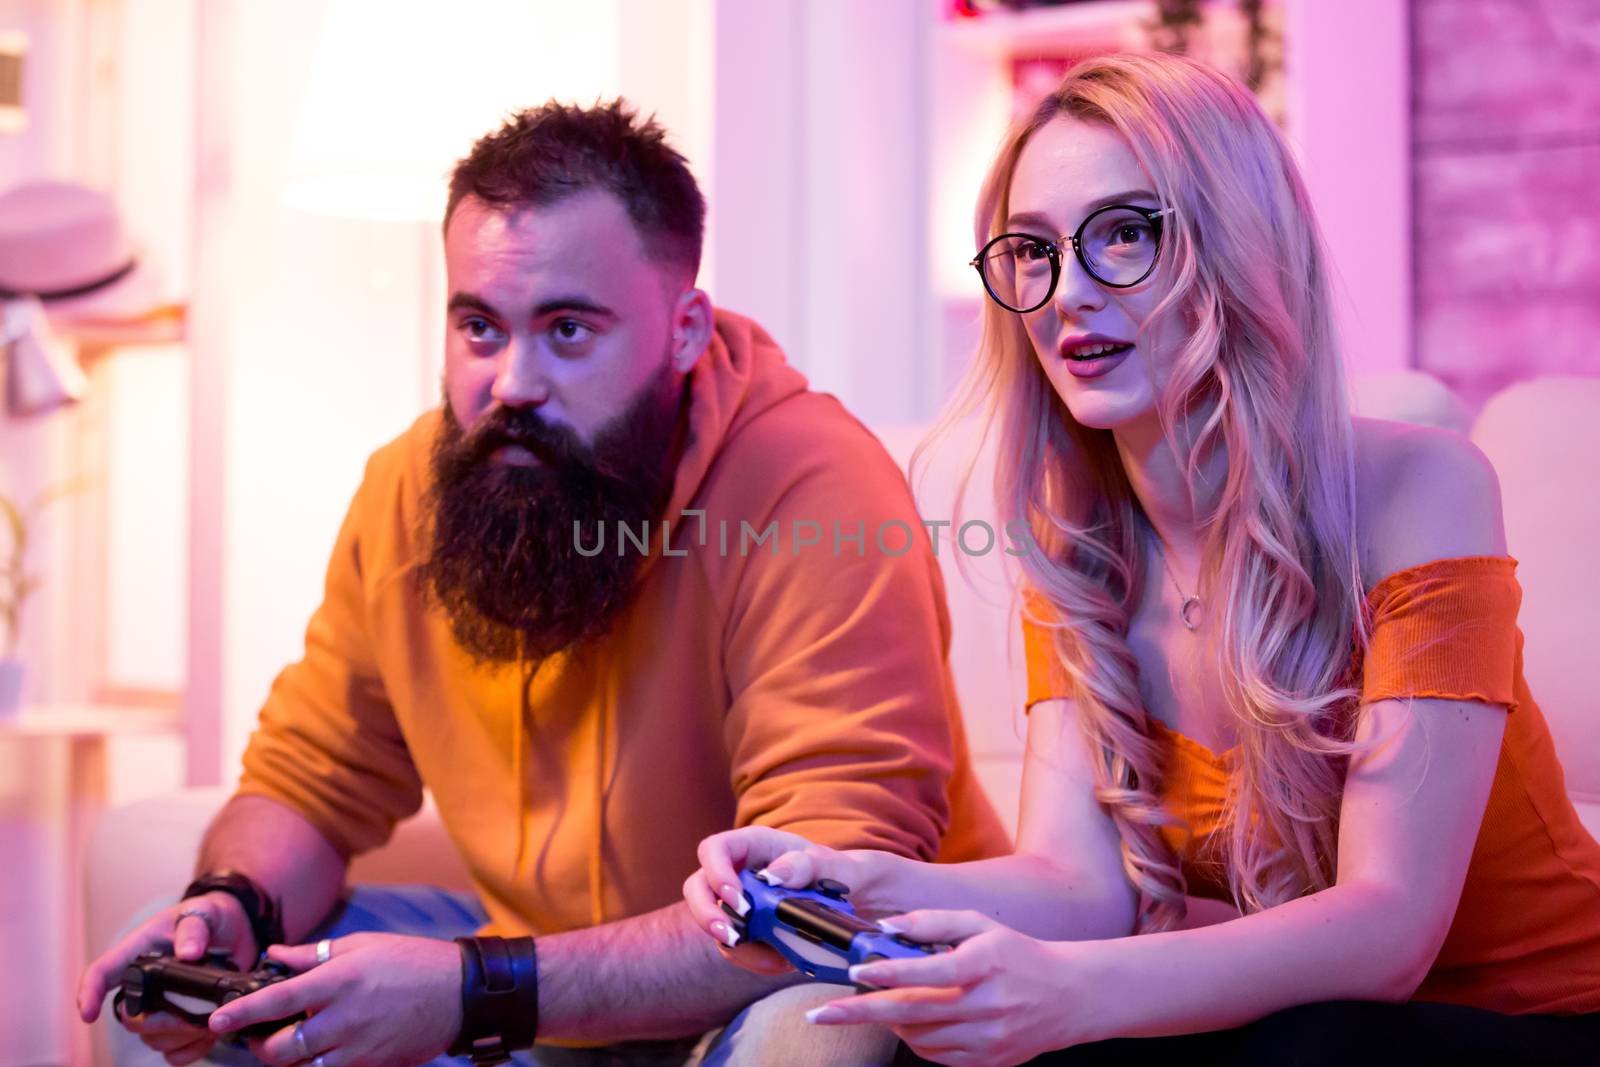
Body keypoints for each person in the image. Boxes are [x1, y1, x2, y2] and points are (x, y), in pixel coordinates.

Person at [684, 52, 1600, 1065]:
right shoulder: (1075, 551)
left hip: (1536, 1019)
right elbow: (1076, 887)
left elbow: (1387, 928)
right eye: (1031, 250)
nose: (1066, 292)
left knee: (1304, 1042)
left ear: (1234, 245)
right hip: (1297, 1028)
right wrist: (852, 878)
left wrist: (1069, 991)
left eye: (1123, 232)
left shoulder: (1423, 489)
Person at [78, 99, 1007, 1067]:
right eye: (480, 327)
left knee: (812, 1038)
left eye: (567, 330)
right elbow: (312, 778)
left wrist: (474, 993)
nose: (513, 381)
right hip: (533, 992)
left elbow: (821, 907)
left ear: (684, 329)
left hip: (777, 984)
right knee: (185, 968)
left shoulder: (816, 491)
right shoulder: (411, 487)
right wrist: (231, 902)